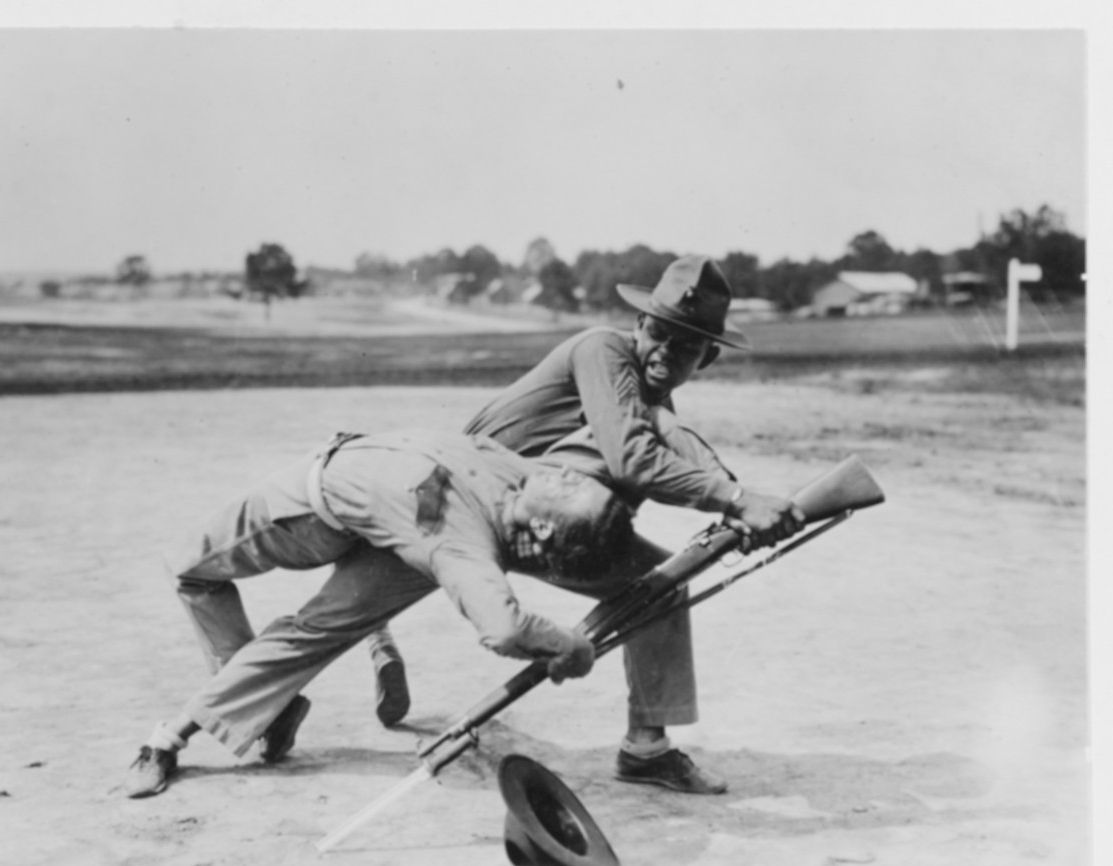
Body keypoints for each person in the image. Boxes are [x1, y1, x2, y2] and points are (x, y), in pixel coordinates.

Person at [376, 254, 807, 794]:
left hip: (524, 519)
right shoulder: (604, 350)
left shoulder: (648, 395)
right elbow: (636, 459)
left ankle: (647, 749)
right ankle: (354, 652)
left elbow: (675, 437)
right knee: (349, 608)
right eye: (660, 333)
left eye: (686, 345)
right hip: (459, 501)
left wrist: (737, 499)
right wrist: (737, 499)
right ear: (638, 325)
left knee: (658, 589)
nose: (667, 352)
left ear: (708, 358)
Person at [124, 428, 635, 798]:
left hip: (310, 511)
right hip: (389, 529)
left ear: (545, 530)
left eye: (570, 487)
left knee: (190, 569)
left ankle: (169, 739)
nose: (564, 472)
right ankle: (268, 707)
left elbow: (502, 628)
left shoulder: (460, 546)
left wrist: (571, 645)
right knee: (310, 635)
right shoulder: (525, 477)